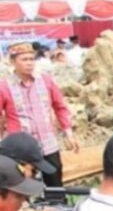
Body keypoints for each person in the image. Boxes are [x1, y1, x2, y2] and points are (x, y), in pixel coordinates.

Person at [0, 42, 80, 187]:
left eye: (32, 59)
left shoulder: (45, 80)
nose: (29, 63)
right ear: (12, 62)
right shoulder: (4, 87)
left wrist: (68, 133)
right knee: (22, 187)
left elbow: (60, 107)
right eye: (24, 59)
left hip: (48, 144)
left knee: (55, 184)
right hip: (21, 149)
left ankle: (57, 207)